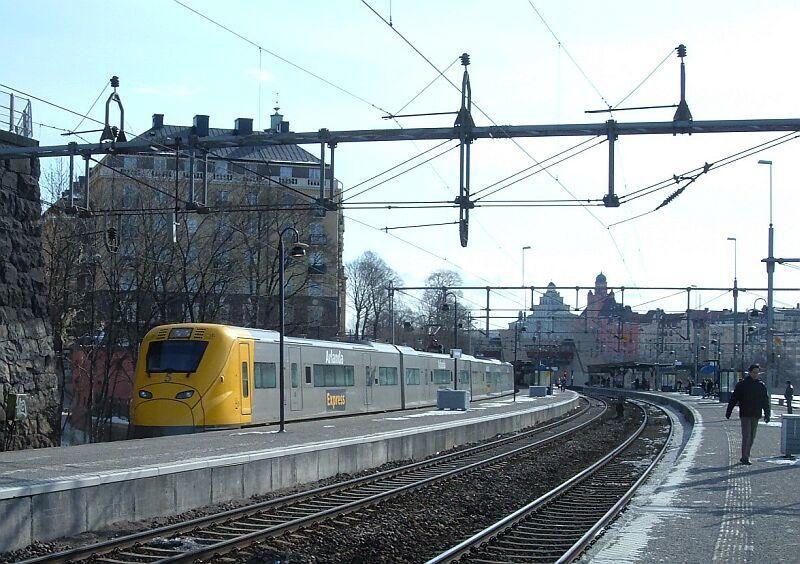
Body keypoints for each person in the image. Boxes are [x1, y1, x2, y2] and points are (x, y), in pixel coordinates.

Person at [726, 364, 771, 465]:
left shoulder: (761, 385)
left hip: (756, 414)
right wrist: (729, 411)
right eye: (754, 372)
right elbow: (734, 398)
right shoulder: (742, 385)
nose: (755, 374)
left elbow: (765, 401)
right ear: (749, 372)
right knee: (746, 435)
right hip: (745, 414)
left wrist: (767, 414)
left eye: (757, 372)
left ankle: (746, 455)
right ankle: (745, 457)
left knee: (752, 436)